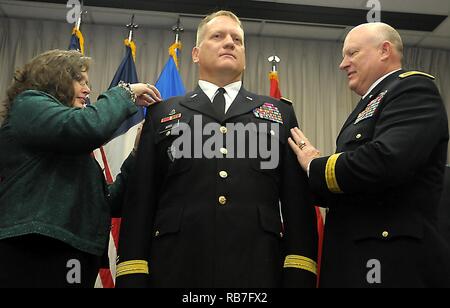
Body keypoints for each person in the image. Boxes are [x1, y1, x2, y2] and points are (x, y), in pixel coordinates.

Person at [115, 10, 318, 288]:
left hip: (257, 271)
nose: (230, 43)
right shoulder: (162, 113)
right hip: (176, 268)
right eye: (218, 36)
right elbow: (141, 201)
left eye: (238, 39)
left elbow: (297, 207)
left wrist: (299, 274)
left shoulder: (279, 113)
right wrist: (133, 273)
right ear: (196, 53)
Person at [288, 22, 450, 287]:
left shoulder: (412, 89)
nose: (343, 64)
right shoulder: (373, 102)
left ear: (384, 51)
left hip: (389, 261)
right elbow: (358, 184)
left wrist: (316, 167)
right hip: (357, 257)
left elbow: (385, 161)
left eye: (352, 53)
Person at [0, 49, 162, 287]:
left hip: (75, 255)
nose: (88, 90)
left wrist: (137, 155)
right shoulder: (28, 104)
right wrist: (125, 92)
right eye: (80, 81)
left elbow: (109, 201)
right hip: (33, 249)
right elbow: (89, 128)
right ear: (54, 77)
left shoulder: (73, 151)